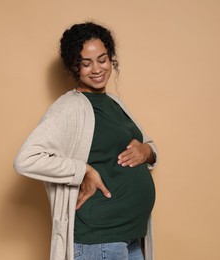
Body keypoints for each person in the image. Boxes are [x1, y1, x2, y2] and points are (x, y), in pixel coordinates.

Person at [14, 22, 158, 260]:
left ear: (111, 58)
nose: (97, 69)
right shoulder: (69, 107)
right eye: (86, 63)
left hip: (131, 235)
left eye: (102, 59)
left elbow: (146, 143)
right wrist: (84, 170)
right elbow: (26, 160)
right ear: (74, 66)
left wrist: (146, 151)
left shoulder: (115, 103)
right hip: (99, 239)